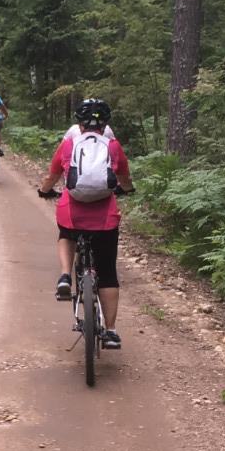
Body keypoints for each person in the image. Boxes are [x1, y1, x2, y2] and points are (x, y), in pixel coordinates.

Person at [37, 98, 132, 348]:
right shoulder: (113, 146)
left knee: (66, 235)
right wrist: (128, 189)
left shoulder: (69, 144)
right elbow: (124, 176)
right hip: (105, 218)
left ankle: (65, 276)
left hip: (73, 213)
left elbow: (53, 175)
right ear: (105, 125)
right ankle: (110, 332)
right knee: (108, 273)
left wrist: (44, 190)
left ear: (79, 124)